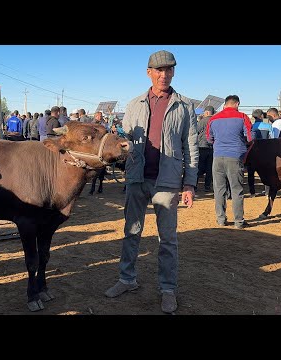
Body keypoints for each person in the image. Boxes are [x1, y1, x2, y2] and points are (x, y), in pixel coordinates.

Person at [104, 50, 199, 314]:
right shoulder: (134, 104)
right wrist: (125, 148)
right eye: (159, 70)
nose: (164, 74)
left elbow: (190, 146)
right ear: (149, 73)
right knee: (131, 231)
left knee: (167, 240)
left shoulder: (184, 106)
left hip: (167, 182)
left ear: (174, 72)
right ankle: (127, 279)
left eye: (169, 69)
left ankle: (167, 289)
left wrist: (189, 184)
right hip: (137, 178)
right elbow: (130, 140)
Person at [207, 95, 252, 229]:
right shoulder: (243, 117)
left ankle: (221, 219)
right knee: (236, 190)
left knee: (219, 189)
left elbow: (209, 139)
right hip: (235, 157)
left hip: (217, 157)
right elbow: (250, 137)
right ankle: (238, 222)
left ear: (225, 104)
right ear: (237, 104)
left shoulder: (213, 118)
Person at [196, 105, 215, 192]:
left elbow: (195, 131)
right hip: (212, 148)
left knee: (199, 167)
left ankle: (194, 186)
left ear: (206, 112)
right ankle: (207, 186)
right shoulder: (215, 121)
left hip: (202, 147)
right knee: (209, 168)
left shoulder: (202, 121)